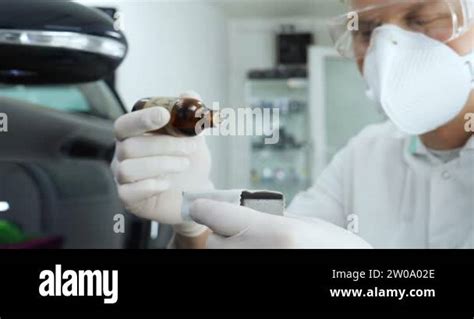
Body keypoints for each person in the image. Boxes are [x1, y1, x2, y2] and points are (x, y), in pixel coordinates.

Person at [112, 0, 474, 249]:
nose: (389, 51)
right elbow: (275, 238)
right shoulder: (365, 153)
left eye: (422, 18)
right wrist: (193, 218)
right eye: (367, 30)